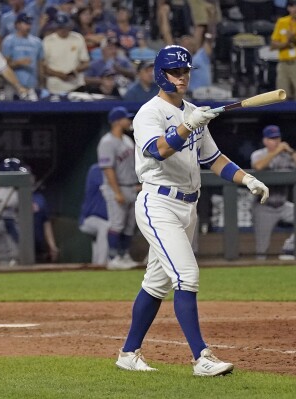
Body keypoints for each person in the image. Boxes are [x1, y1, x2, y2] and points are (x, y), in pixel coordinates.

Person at [115, 45, 269, 375]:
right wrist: (188, 125)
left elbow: (213, 159)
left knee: (156, 284)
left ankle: (128, 353)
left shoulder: (194, 110)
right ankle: (202, 357)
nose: (183, 76)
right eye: (176, 71)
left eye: (186, 71)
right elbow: (156, 150)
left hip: (188, 205)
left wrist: (247, 179)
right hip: (158, 202)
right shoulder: (149, 112)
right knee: (187, 275)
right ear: (161, 74)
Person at [250, 124, 296, 260]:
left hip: (283, 204)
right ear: (265, 141)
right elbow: (258, 166)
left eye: (277, 138)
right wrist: (276, 151)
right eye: (272, 138)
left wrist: (290, 151)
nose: (276, 141)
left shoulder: (287, 155)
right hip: (264, 206)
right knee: (261, 251)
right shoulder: (258, 154)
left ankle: (289, 246)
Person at [97, 106, 140, 270]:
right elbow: (108, 169)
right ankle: (113, 258)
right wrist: (117, 192)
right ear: (116, 121)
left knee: (130, 226)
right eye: (126, 118)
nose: (129, 121)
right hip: (116, 188)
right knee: (117, 224)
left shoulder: (127, 140)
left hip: (131, 187)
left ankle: (124, 255)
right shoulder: (107, 142)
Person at [42, 12, 90, 95]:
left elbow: (86, 63)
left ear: (69, 26)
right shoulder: (47, 41)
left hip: (77, 86)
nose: (63, 30)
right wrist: (59, 74)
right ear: (55, 27)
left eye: (65, 27)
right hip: (55, 87)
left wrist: (74, 72)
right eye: (60, 27)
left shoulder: (78, 38)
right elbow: (43, 67)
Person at [1, 12, 44, 100]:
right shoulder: (9, 41)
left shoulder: (37, 42)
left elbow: (40, 65)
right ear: (17, 25)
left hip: (31, 85)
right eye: (25, 23)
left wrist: (41, 83)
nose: (28, 26)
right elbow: (3, 66)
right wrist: (18, 63)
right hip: (12, 85)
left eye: (29, 24)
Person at [79, 163, 110, 265]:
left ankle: (95, 266)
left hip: (101, 219)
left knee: (97, 242)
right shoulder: (96, 170)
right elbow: (111, 185)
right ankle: (101, 265)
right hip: (89, 219)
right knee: (105, 228)